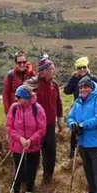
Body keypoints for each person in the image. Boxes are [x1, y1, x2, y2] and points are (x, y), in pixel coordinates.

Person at [67, 75, 97, 193]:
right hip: (83, 142)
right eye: (81, 88)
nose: (83, 90)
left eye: (86, 87)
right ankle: (92, 191)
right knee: (88, 169)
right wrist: (72, 124)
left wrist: (83, 125)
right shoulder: (78, 102)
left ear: (91, 88)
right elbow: (70, 116)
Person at [6, 78, 47, 193]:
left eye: (19, 98)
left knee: (31, 170)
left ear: (26, 98)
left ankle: (29, 192)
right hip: (17, 146)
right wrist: (20, 138)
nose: (16, 100)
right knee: (18, 170)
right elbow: (9, 127)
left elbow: (42, 128)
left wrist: (30, 140)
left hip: (33, 146)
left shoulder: (37, 109)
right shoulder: (14, 108)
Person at [63, 57, 97, 159]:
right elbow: (66, 91)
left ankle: (89, 150)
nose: (82, 70)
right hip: (78, 107)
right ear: (76, 69)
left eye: (84, 67)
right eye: (79, 68)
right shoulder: (75, 79)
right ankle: (73, 152)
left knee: (89, 128)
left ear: (87, 67)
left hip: (92, 108)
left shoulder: (93, 79)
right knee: (75, 129)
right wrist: (72, 80)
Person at [35, 55, 64, 185]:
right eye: (51, 68)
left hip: (51, 124)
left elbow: (59, 103)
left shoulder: (55, 84)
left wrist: (60, 119)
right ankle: (30, 179)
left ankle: (48, 177)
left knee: (50, 151)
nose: (54, 70)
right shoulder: (33, 84)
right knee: (35, 153)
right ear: (44, 71)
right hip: (36, 126)